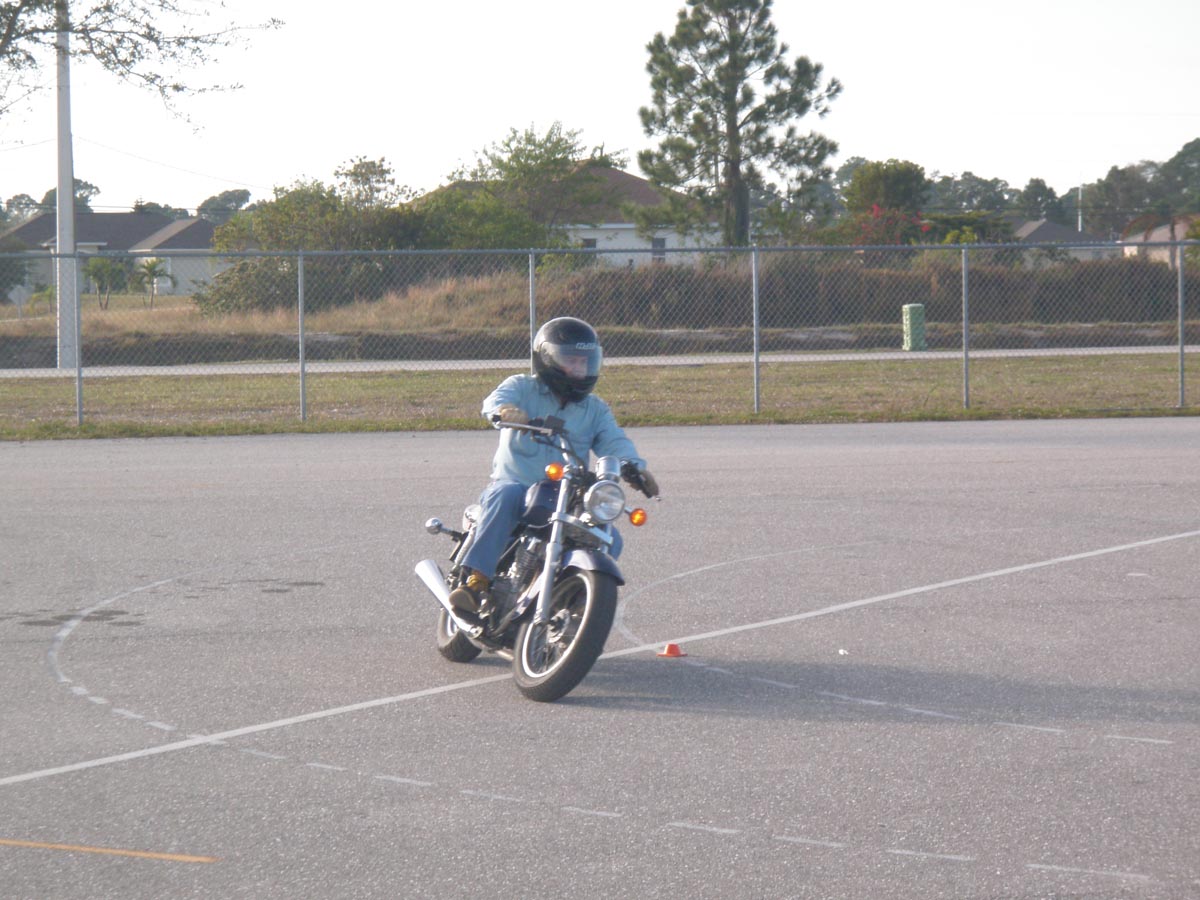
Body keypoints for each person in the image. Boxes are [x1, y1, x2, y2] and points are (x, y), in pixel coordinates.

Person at [447, 316, 658, 616]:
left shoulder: (595, 409)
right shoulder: (522, 387)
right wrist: (506, 411)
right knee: (504, 495)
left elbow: (614, 441)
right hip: (517, 485)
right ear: (548, 359)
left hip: (563, 494)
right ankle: (476, 582)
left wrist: (634, 467)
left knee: (608, 536)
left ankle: (576, 595)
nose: (579, 369)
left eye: (585, 361)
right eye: (571, 360)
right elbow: (496, 401)